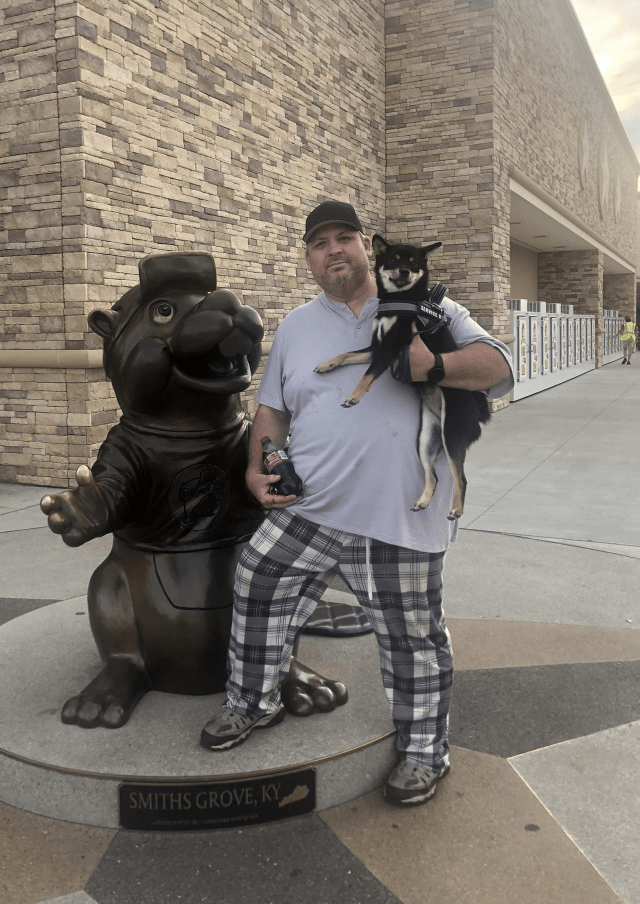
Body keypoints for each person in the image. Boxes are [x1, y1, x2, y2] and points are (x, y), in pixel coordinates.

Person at [199, 201, 514, 806]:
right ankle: (253, 702)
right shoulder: (296, 327)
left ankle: (423, 752)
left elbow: (500, 368)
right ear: (309, 259)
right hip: (310, 507)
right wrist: (258, 465)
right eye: (320, 244)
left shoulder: (426, 308)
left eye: (344, 238)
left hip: (398, 516)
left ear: (367, 248)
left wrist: (434, 364)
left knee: (411, 637)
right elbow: (272, 411)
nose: (334, 251)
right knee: (258, 581)